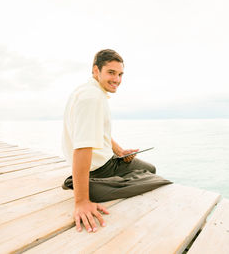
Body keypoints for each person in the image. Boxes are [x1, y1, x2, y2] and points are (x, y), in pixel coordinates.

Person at [61, 49, 171, 234]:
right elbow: (82, 147)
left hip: (107, 160)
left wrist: (119, 151)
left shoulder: (88, 91)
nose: (117, 79)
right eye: (111, 73)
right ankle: (87, 185)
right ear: (96, 71)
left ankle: (92, 182)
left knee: (149, 169)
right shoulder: (92, 98)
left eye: (120, 74)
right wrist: (82, 202)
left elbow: (95, 131)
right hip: (99, 168)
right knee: (158, 179)